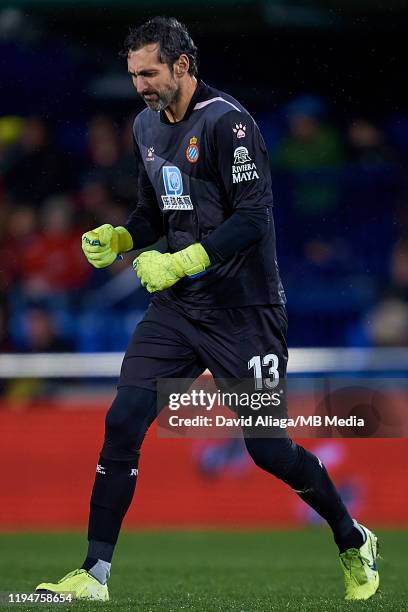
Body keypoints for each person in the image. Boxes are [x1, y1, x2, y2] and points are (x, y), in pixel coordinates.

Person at [35, 17, 379, 603]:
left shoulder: (228, 123)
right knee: (122, 421)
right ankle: (93, 575)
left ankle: (352, 539)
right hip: (178, 307)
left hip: (245, 310)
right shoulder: (145, 125)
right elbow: (154, 211)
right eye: (133, 74)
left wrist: (181, 260)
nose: (139, 84)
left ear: (181, 66)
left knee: (267, 449)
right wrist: (123, 239)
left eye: (148, 72)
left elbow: (254, 217)